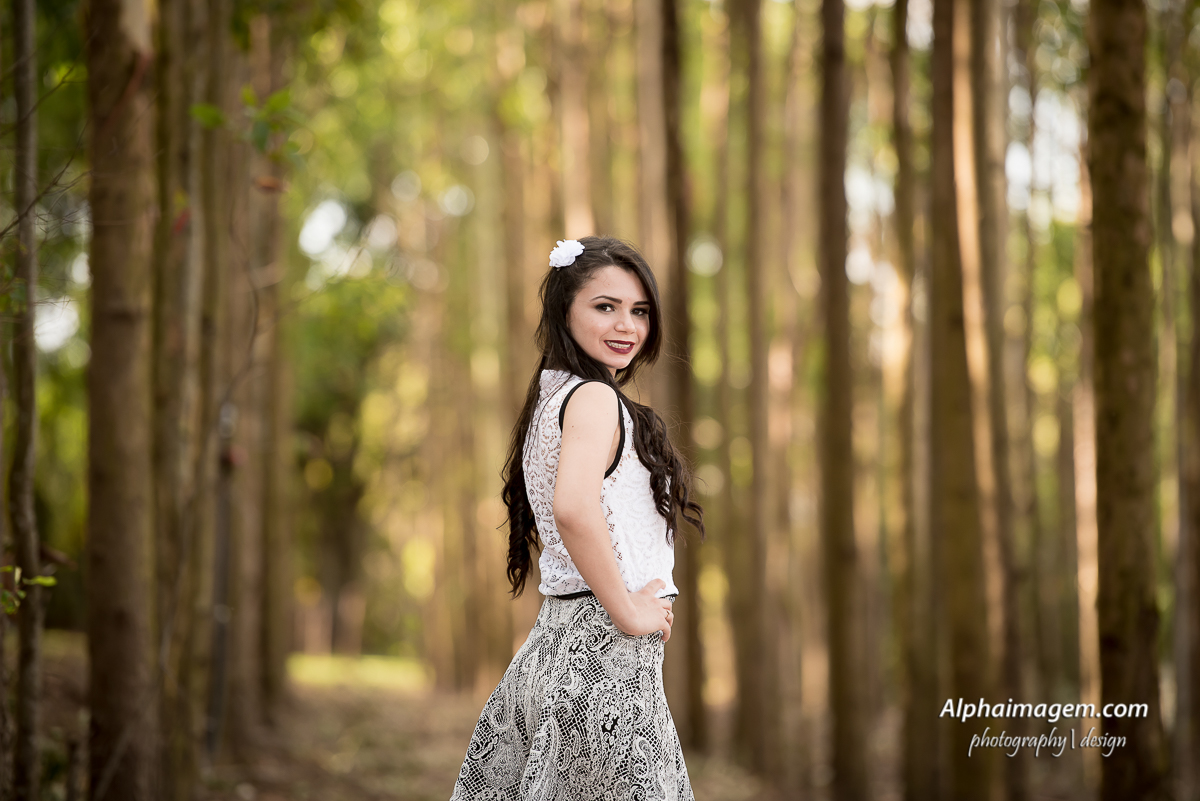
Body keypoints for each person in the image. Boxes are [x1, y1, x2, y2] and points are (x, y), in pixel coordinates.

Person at [450, 235, 704, 800]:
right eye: (605, 306)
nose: (627, 326)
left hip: (559, 645)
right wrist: (628, 611)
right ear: (564, 309)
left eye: (640, 311)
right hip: (602, 660)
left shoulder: (555, 395)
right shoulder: (593, 398)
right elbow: (573, 508)